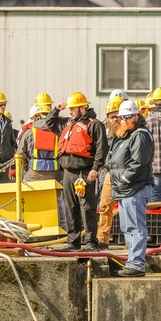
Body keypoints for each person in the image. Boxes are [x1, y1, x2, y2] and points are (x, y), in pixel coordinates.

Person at [47, 91, 108, 251]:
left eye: (74, 108)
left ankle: (90, 242)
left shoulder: (94, 125)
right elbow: (49, 123)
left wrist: (95, 169)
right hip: (68, 172)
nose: (71, 111)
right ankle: (73, 242)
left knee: (87, 207)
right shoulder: (68, 123)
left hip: (85, 172)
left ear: (83, 107)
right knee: (70, 207)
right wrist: (56, 109)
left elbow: (102, 148)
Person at [106, 100, 155, 277]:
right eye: (122, 117)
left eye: (128, 117)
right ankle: (133, 262)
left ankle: (136, 264)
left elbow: (139, 162)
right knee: (128, 227)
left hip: (134, 188)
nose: (125, 120)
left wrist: (125, 178)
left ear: (136, 116)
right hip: (124, 188)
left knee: (135, 227)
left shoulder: (140, 135)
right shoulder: (126, 135)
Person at [96, 96, 124, 246]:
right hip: (109, 173)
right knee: (105, 206)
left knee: (127, 207)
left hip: (124, 173)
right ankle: (102, 239)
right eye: (111, 117)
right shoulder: (107, 134)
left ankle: (130, 240)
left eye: (116, 117)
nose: (114, 120)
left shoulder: (129, 132)